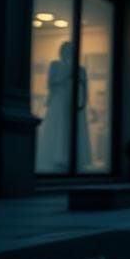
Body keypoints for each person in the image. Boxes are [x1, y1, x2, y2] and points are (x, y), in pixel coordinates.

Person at [36, 41, 91, 172]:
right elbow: (50, 83)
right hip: (59, 101)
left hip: (74, 102)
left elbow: (84, 86)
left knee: (71, 127)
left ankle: (73, 157)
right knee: (59, 127)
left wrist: (83, 102)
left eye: (71, 51)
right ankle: (57, 157)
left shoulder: (80, 68)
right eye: (66, 50)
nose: (68, 53)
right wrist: (66, 77)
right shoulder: (55, 65)